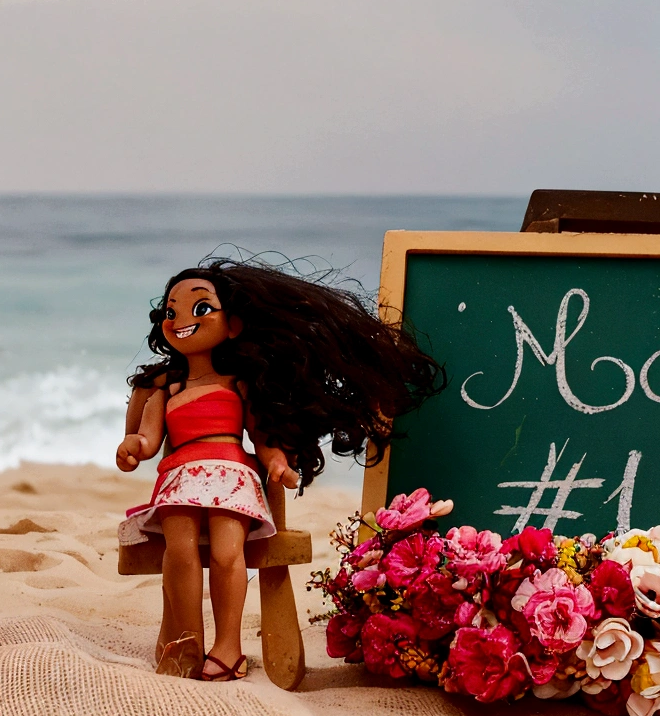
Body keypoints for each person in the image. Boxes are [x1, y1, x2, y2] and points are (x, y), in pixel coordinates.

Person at [116, 258, 442, 681]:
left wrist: (277, 463)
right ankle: (187, 638)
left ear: (232, 325)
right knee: (178, 551)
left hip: (232, 474)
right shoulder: (167, 388)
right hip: (180, 477)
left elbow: (263, 435)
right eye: (170, 311)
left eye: (199, 309)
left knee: (227, 553)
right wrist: (133, 447)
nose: (180, 320)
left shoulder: (240, 384)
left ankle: (229, 645)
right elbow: (148, 438)